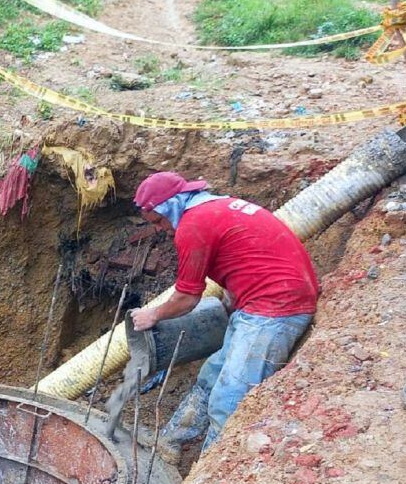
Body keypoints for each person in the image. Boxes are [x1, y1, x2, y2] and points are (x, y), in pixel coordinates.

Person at [129, 172, 318, 460]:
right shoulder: (218, 207)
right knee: (210, 376)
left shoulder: (193, 225)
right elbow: (248, 256)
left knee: (229, 400)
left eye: (158, 220)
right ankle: (168, 444)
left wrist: (153, 315)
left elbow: (187, 298)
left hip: (275, 308)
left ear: (172, 205)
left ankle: (202, 481)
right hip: (264, 300)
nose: (160, 229)